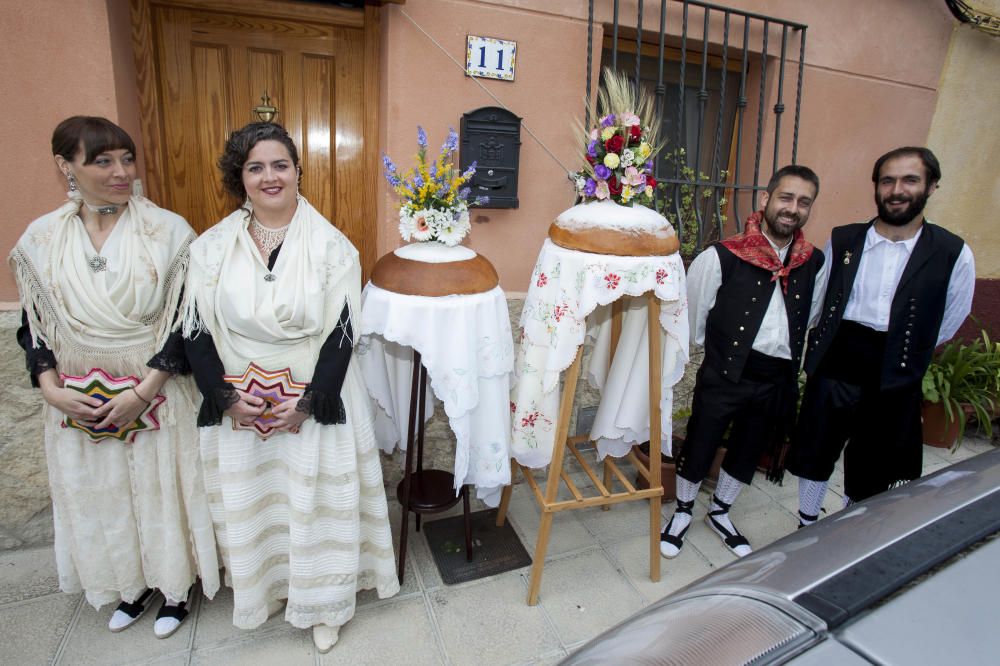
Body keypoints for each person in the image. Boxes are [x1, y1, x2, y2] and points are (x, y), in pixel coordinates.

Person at [181, 122, 399, 653]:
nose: (269, 176)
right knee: (263, 505)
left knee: (315, 502)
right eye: (255, 167)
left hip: (314, 396)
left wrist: (307, 403)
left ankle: (325, 602)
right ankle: (270, 589)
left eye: (280, 165)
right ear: (240, 178)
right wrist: (227, 399)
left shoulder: (333, 247)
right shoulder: (209, 249)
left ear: (299, 171)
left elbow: (342, 333)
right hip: (240, 400)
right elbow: (193, 329)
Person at [9, 116, 219, 638]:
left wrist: (144, 391)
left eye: (126, 158)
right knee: (103, 490)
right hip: (78, 392)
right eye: (102, 161)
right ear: (67, 166)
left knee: (159, 488)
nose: (120, 171)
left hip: (155, 387)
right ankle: (131, 583)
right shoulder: (41, 238)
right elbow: (32, 322)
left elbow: (186, 322)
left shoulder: (167, 231)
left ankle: (175, 587)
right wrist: (49, 387)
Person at [789, 147, 974, 525]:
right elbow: (822, 302)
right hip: (838, 355)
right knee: (817, 448)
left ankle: (851, 525)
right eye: (887, 180)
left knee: (874, 459)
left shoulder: (952, 252)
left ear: (931, 186)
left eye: (910, 180)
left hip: (895, 365)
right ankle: (807, 521)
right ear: (876, 187)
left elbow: (952, 316)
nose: (897, 189)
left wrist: (909, 345)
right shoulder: (844, 240)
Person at [661, 165, 826, 559]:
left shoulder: (814, 262)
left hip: (777, 375)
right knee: (701, 440)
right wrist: (722, 357)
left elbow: (813, 316)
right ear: (766, 199)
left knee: (750, 447)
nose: (793, 208)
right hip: (726, 370)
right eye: (786, 198)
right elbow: (695, 314)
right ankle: (682, 511)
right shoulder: (721, 256)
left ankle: (720, 512)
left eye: (804, 202)